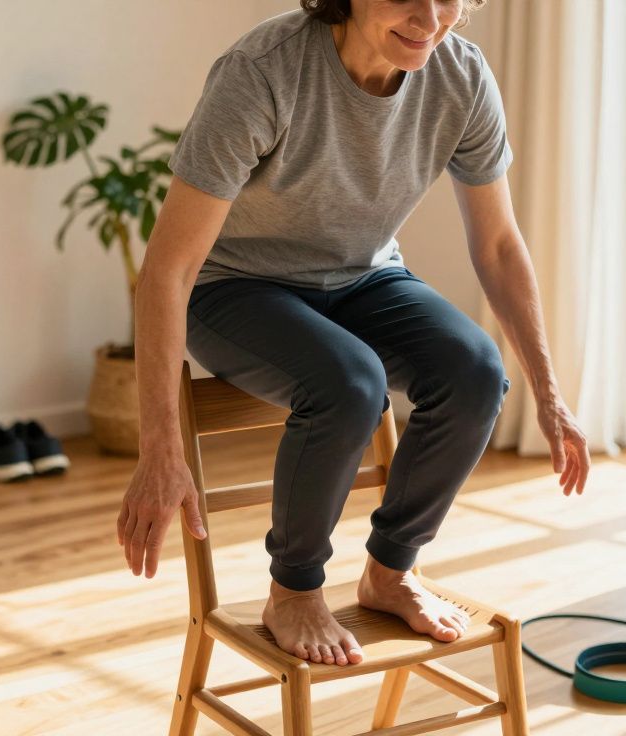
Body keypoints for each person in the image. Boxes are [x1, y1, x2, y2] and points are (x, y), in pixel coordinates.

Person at [118, 0, 591, 669]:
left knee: (476, 372)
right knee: (351, 385)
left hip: (365, 277)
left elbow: (500, 247)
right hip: (234, 285)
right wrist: (158, 445)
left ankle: (390, 571)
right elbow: (170, 268)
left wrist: (549, 393)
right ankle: (293, 589)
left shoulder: (461, 77)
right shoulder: (263, 72)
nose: (430, 17)